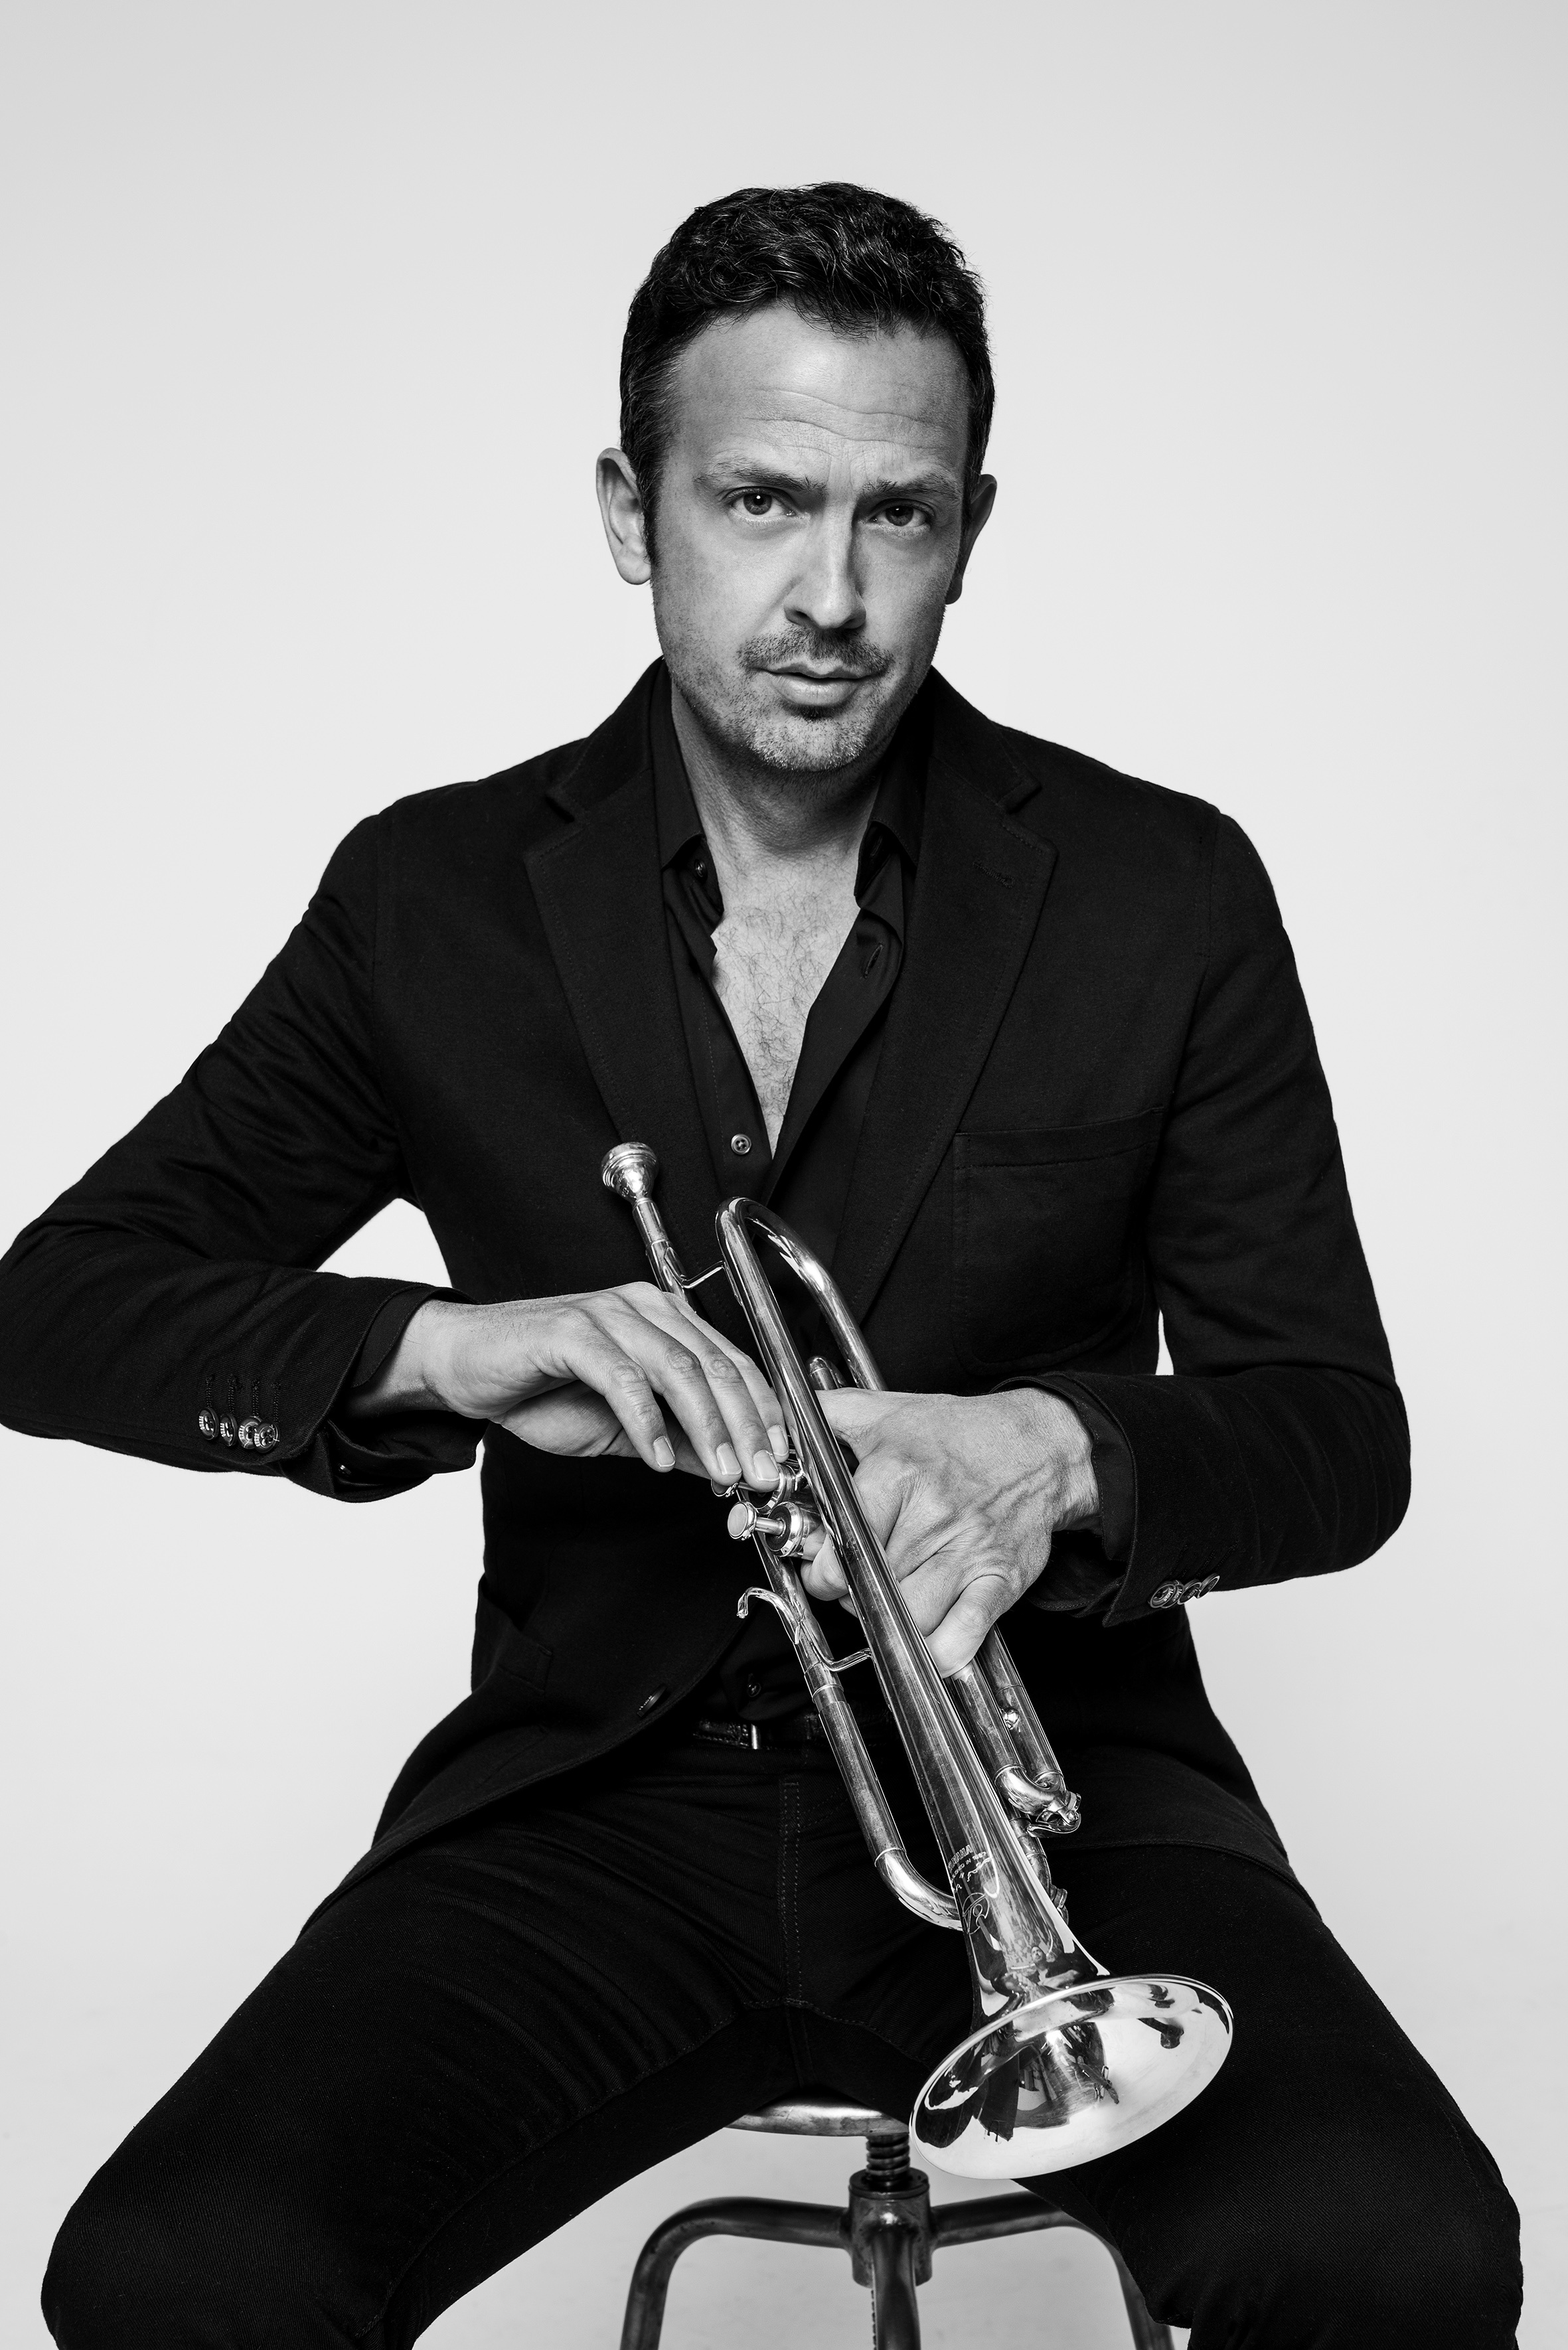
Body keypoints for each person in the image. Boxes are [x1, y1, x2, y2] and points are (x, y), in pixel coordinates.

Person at [0, 182, 1520, 2348]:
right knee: (174, 2272)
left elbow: (1331, 1435)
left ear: (971, 528)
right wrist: (441, 1347)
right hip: (591, 1799)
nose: (830, 593)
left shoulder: (1159, 891)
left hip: (1063, 1809)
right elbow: (58, 1306)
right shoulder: (432, 897)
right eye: (758, 499)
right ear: (631, 513)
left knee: (1396, 2248)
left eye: (898, 513)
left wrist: (1052, 1454)